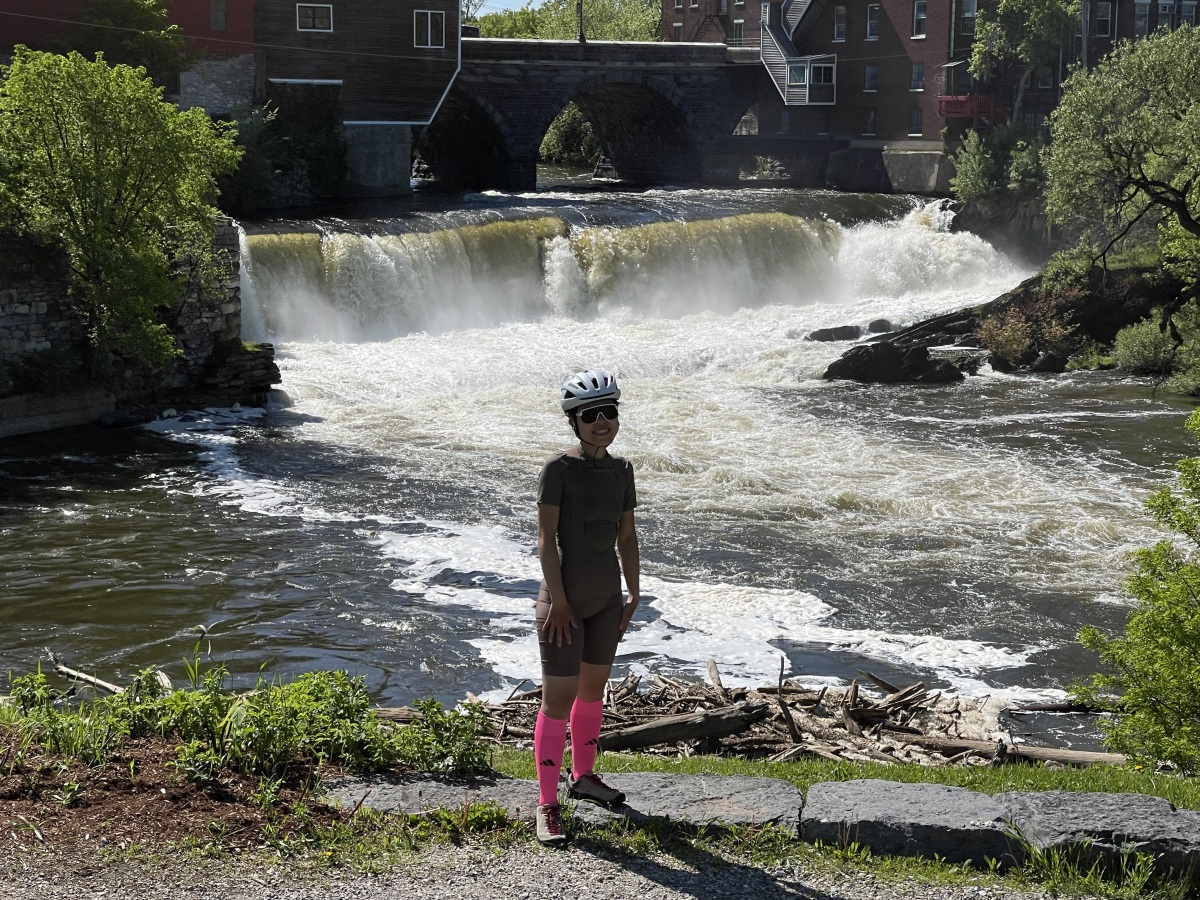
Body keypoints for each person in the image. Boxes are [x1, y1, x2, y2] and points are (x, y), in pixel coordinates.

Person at [533, 368, 640, 845]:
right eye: (591, 415)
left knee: (593, 694)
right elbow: (545, 541)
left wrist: (634, 591)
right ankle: (547, 805)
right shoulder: (558, 469)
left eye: (609, 412)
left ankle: (584, 777)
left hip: (605, 600)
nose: (602, 421)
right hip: (563, 604)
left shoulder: (622, 471)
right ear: (573, 422)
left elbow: (627, 536)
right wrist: (557, 601)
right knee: (557, 703)